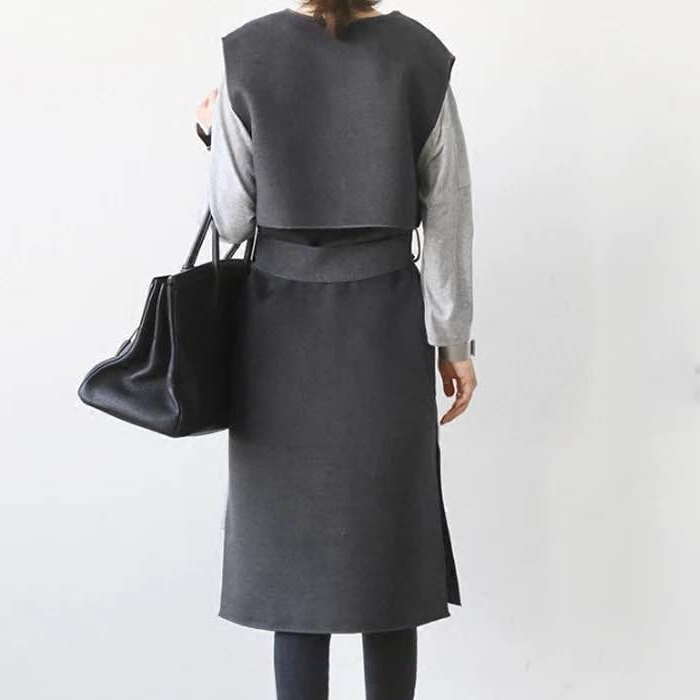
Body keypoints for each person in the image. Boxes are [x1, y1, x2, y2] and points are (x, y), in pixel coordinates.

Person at [196, 2, 477, 698]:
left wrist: (209, 130)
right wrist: (452, 340)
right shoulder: (419, 54)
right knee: (390, 555)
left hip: (278, 339)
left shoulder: (246, 55)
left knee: (294, 566)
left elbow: (232, 218)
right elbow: (447, 210)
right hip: (385, 332)